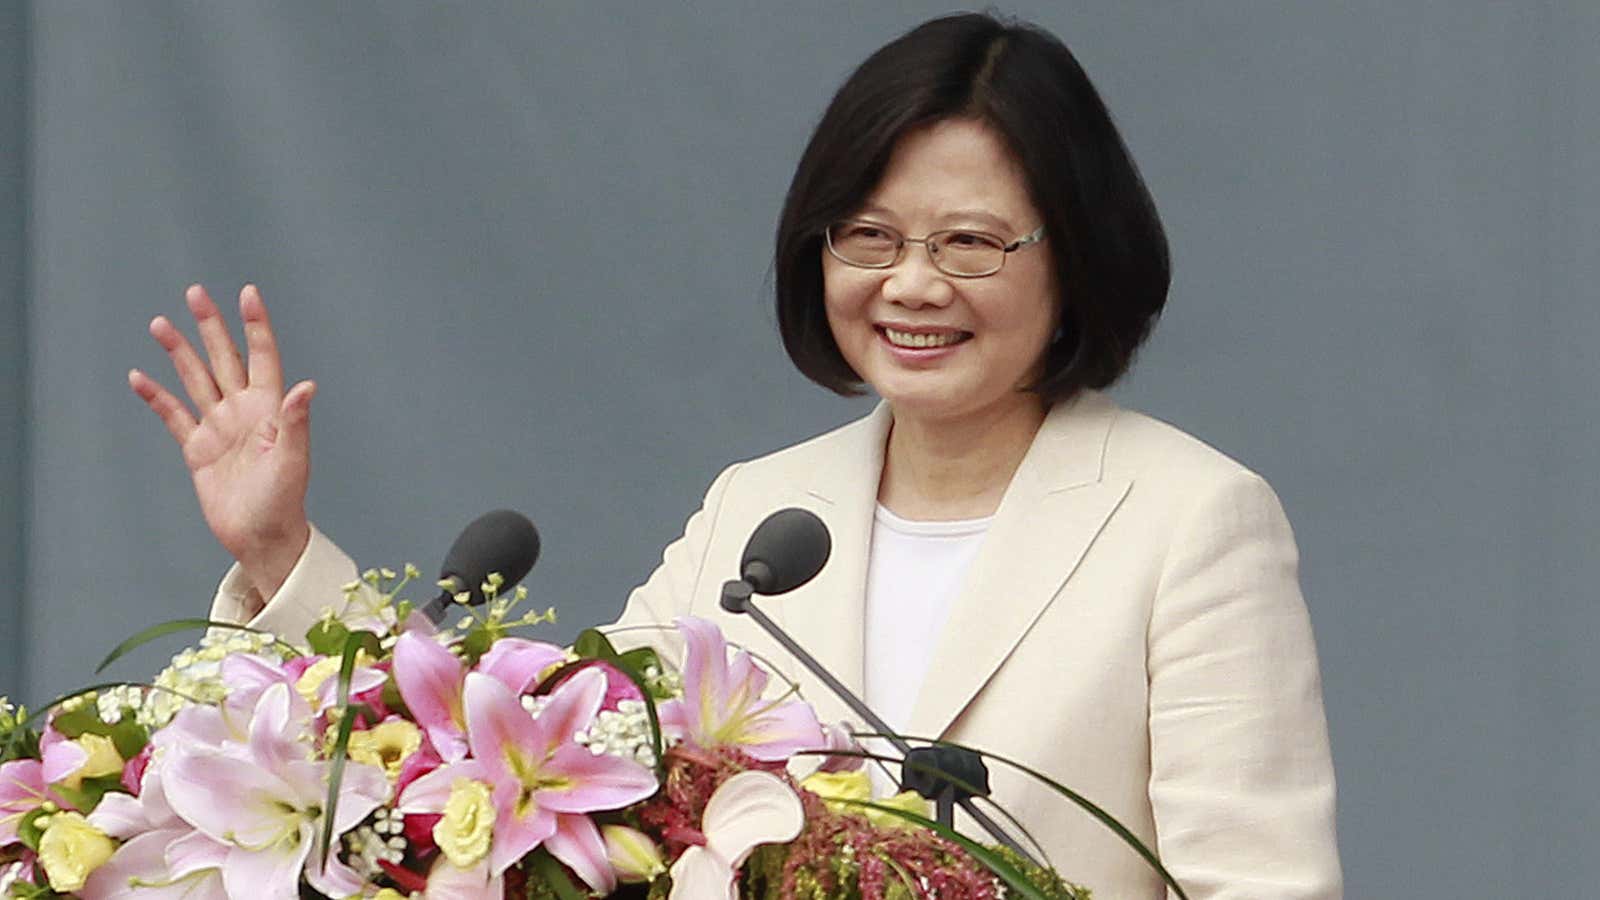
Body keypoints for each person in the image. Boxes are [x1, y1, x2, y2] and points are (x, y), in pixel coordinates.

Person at [130, 13, 1341, 899]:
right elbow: (552, 773)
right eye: (867, 235)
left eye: (970, 243)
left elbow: (1260, 885)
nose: (911, 284)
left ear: (1072, 255)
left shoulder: (1187, 520)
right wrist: (284, 556)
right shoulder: (763, 513)